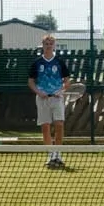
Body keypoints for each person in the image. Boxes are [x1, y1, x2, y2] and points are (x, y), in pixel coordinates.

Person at [29, 33, 71, 169]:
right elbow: (31, 82)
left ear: (54, 46)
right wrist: (39, 92)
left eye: (50, 44)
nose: (48, 46)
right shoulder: (37, 63)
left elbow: (67, 82)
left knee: (59, 125)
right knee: (45, 127)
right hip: (42, 99)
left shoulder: (59, 62)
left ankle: (58, 155)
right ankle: (51, 155)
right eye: (46, 44)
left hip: (57, 99)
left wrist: (61, 91)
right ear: (42, 46)